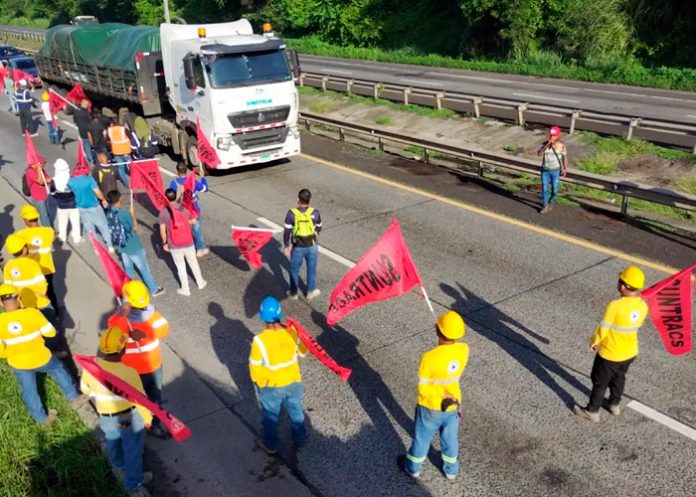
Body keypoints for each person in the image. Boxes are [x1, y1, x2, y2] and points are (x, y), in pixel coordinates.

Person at [80, 326, 153, 495]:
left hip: (106, 416)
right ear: (122, 349)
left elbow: (85, 389)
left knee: (112, 440)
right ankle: (134, 482)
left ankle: (119, 465)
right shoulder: (129, 372)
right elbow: (140, 399)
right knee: (133, 448)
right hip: (128, 416)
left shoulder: (91, 368)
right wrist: (147, 418)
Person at [0, 283, 84, 425]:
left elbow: (1, 352)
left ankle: (42, 419)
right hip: (41, 358)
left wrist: (11, 353)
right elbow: (50, 333)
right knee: (58, 369)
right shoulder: (33, 313)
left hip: (19, 363)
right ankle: (74, 397)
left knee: (29, 390)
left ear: (1, 303)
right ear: (19, 298)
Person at [574, 266, 648, 422]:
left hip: (610, 353)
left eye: (620, 280)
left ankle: (592, 411)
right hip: (629, 352)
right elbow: (639, 324)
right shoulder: (643, 305)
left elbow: (603, 328)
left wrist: (594, 341)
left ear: (623, 286)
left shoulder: (615, 305)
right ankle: (614, 404)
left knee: (599, 381)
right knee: (619, 377)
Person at [404, 311, 469, 480]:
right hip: (453, 404)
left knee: (422, 439)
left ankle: (413, 468)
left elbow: (423, 388)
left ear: (438, 332)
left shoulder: (429, 357)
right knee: (450, 439)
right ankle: (451, 470)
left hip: (431, 407)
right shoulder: (464, 350)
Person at [107, 281, 170, 439]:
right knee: (154, 397)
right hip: (153, 366)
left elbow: (113, 335)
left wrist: (123, 315)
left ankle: (137, 423)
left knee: (133, 399)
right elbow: (164, 329)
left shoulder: (118, 319)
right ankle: (154, 424)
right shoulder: (153, 315)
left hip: (130, 369)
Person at [249, 296, 308, 455]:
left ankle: (271, 445)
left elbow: (255, 368)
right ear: (279, 314)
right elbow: (304, 352)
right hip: (293, 382)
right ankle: (300, 439)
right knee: (296, 411)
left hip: (271, 385)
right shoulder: (292, 332)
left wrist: (260, 383)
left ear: (263, 318)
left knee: (270, 417)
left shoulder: (259, 341)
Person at [105, 190, 163, 297]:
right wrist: (133, 215)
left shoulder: (109, 212)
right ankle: (154, 289)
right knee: (143, 268)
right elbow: (135, 228)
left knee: (128, 269)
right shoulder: (124, 214)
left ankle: (127, 288)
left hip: (122, 246)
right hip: (133, 246)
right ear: (119, 199)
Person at [158, 188, 206, 296]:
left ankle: (186, 289)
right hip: (188, 241)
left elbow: (162, 230)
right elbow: (193, 221)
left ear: (166, 198)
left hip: (174, 244)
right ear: (175, 196)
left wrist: (165, 243)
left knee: (180, 267)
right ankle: (200, 282)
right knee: (193, 263)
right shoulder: (183, 208)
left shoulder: (164, 212)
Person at [16, 204, 58, 312]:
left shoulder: (21, 235)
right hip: (47, 269)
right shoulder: (49, 231)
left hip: (32, 271)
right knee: (50, 291)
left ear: (26, 220)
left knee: (34, 293)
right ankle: (56, 312)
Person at [68, 158, 114, 252]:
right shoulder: (89, 179)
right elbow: (97, 192)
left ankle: (96, 248)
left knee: (90, 229)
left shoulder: (71, 181)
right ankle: (109, 245)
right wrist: (103, 200)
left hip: (81, 207)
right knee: (103, 226)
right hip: (93, 206)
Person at [283, 189, 322, 300]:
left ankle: (294, 293)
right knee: (311, 269)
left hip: (298, 246)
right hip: (312, 245)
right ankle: (310, 292)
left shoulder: (291, 214)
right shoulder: (315, 212)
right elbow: (319, 226)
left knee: (294, 269)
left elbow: (287, 231)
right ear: (310, 200)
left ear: (298, 199)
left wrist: (287, 246)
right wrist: (316, 233)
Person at [168, 162, 209, 257]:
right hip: (194, 210)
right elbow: (205, 189)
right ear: (186, 171)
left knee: (185, 230)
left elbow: (172, 198)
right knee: (197, 230)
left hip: (181, 211)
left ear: (177, 171)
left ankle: (186, 247)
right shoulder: (192, 181)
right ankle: (199, 249)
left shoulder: (173, 183)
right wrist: (203, 177)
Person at [537, 125, 567, 214]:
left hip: (555, 171)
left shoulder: (562, 146)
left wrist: (564, 168)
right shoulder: (543, 144)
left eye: (554, 135)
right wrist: (547, 144)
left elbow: (564, 157)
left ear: (558, 136)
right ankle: (545, 205)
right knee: (544, 188)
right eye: (550, 135)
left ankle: (551, 199)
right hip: (545, 170)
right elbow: (539, 154)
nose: (552, 137)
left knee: (555, 190)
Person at [51, 158, 82, 244]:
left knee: (62, 223)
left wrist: (57, 198)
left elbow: (52, 193)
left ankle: (62, 237)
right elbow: (77, 192)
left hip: (61, 205)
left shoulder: (54, 181)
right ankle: (77, 238)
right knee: (75, 223)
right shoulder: (71, 180)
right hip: (73, 205)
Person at [25, 160, 52, 228]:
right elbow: (41, 181)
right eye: (42, 165)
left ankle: (45, 227)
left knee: (46, 213)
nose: (43, 166)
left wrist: (40, 170)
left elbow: (48, 178)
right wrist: (39, 170)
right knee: (44, 215)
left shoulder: (41, 170)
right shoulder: (30, 171)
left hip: (44, 195)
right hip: (38, 197)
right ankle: (48, 231)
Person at [107, 117, 131, 188]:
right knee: (131, 166)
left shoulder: (110, 130)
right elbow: (130, 136)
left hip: (116, 152)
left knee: (121, 168)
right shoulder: (123, 129)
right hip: (126, 151)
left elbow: (108, 140)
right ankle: (137, 178)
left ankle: (126, 184)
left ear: (112, 123)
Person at [73, 100, 94, 164]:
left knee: (85, 144)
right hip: (88, 131)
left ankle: (88, 157)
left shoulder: (76, 111)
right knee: (89, 145)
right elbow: (90, 122)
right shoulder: (86, 113)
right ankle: (91, 158)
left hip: (81, 131)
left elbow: (75, 120)